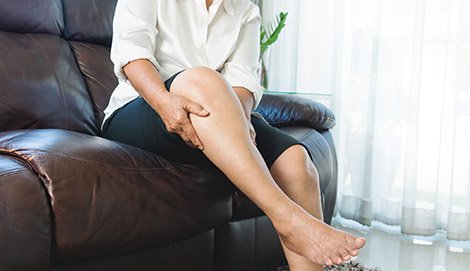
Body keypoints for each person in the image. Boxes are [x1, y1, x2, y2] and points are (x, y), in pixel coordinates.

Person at [101, 0, 366, 270]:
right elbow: (133, 54)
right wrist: (164, 103)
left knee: (296, 162)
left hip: (209, 117)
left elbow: (242, 83)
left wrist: (239, 119)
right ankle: (287, 218)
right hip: (144, 108)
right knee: (204, 79)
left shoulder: (246, 12)